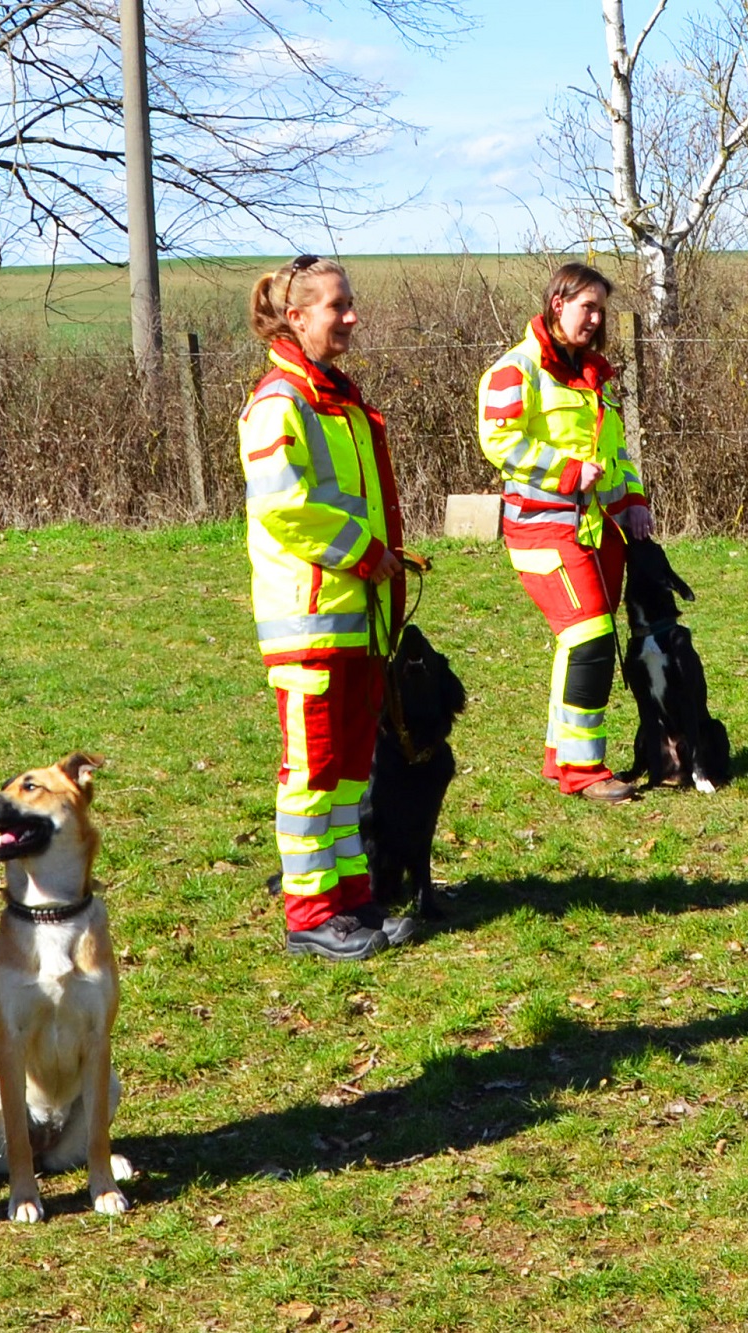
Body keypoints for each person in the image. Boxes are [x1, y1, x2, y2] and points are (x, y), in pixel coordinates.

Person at [238, 256, 417, 961]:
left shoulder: (332, 397)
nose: (351, 316)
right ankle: (310, 913)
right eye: (337, 305)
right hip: (310, 621)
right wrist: (365, 551)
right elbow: (285, 507)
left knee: (345, 774)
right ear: (297, 316)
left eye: (350, 303)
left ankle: (351, 900)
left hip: (354, 617)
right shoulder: (281, 401)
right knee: (311, 774)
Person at [477, 263, 652, 803]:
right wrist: (568, 471)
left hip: (598, 529)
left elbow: (613, 452)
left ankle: (562, 757)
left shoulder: (595, 374)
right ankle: (584, 769)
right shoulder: (516, 369)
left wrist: (632, 503)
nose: (596, 319)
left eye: (601, 310)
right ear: (558, 303)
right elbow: (500, 442)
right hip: (542, 529)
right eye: (587, 307)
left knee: (578, 642)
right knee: (591, 638)